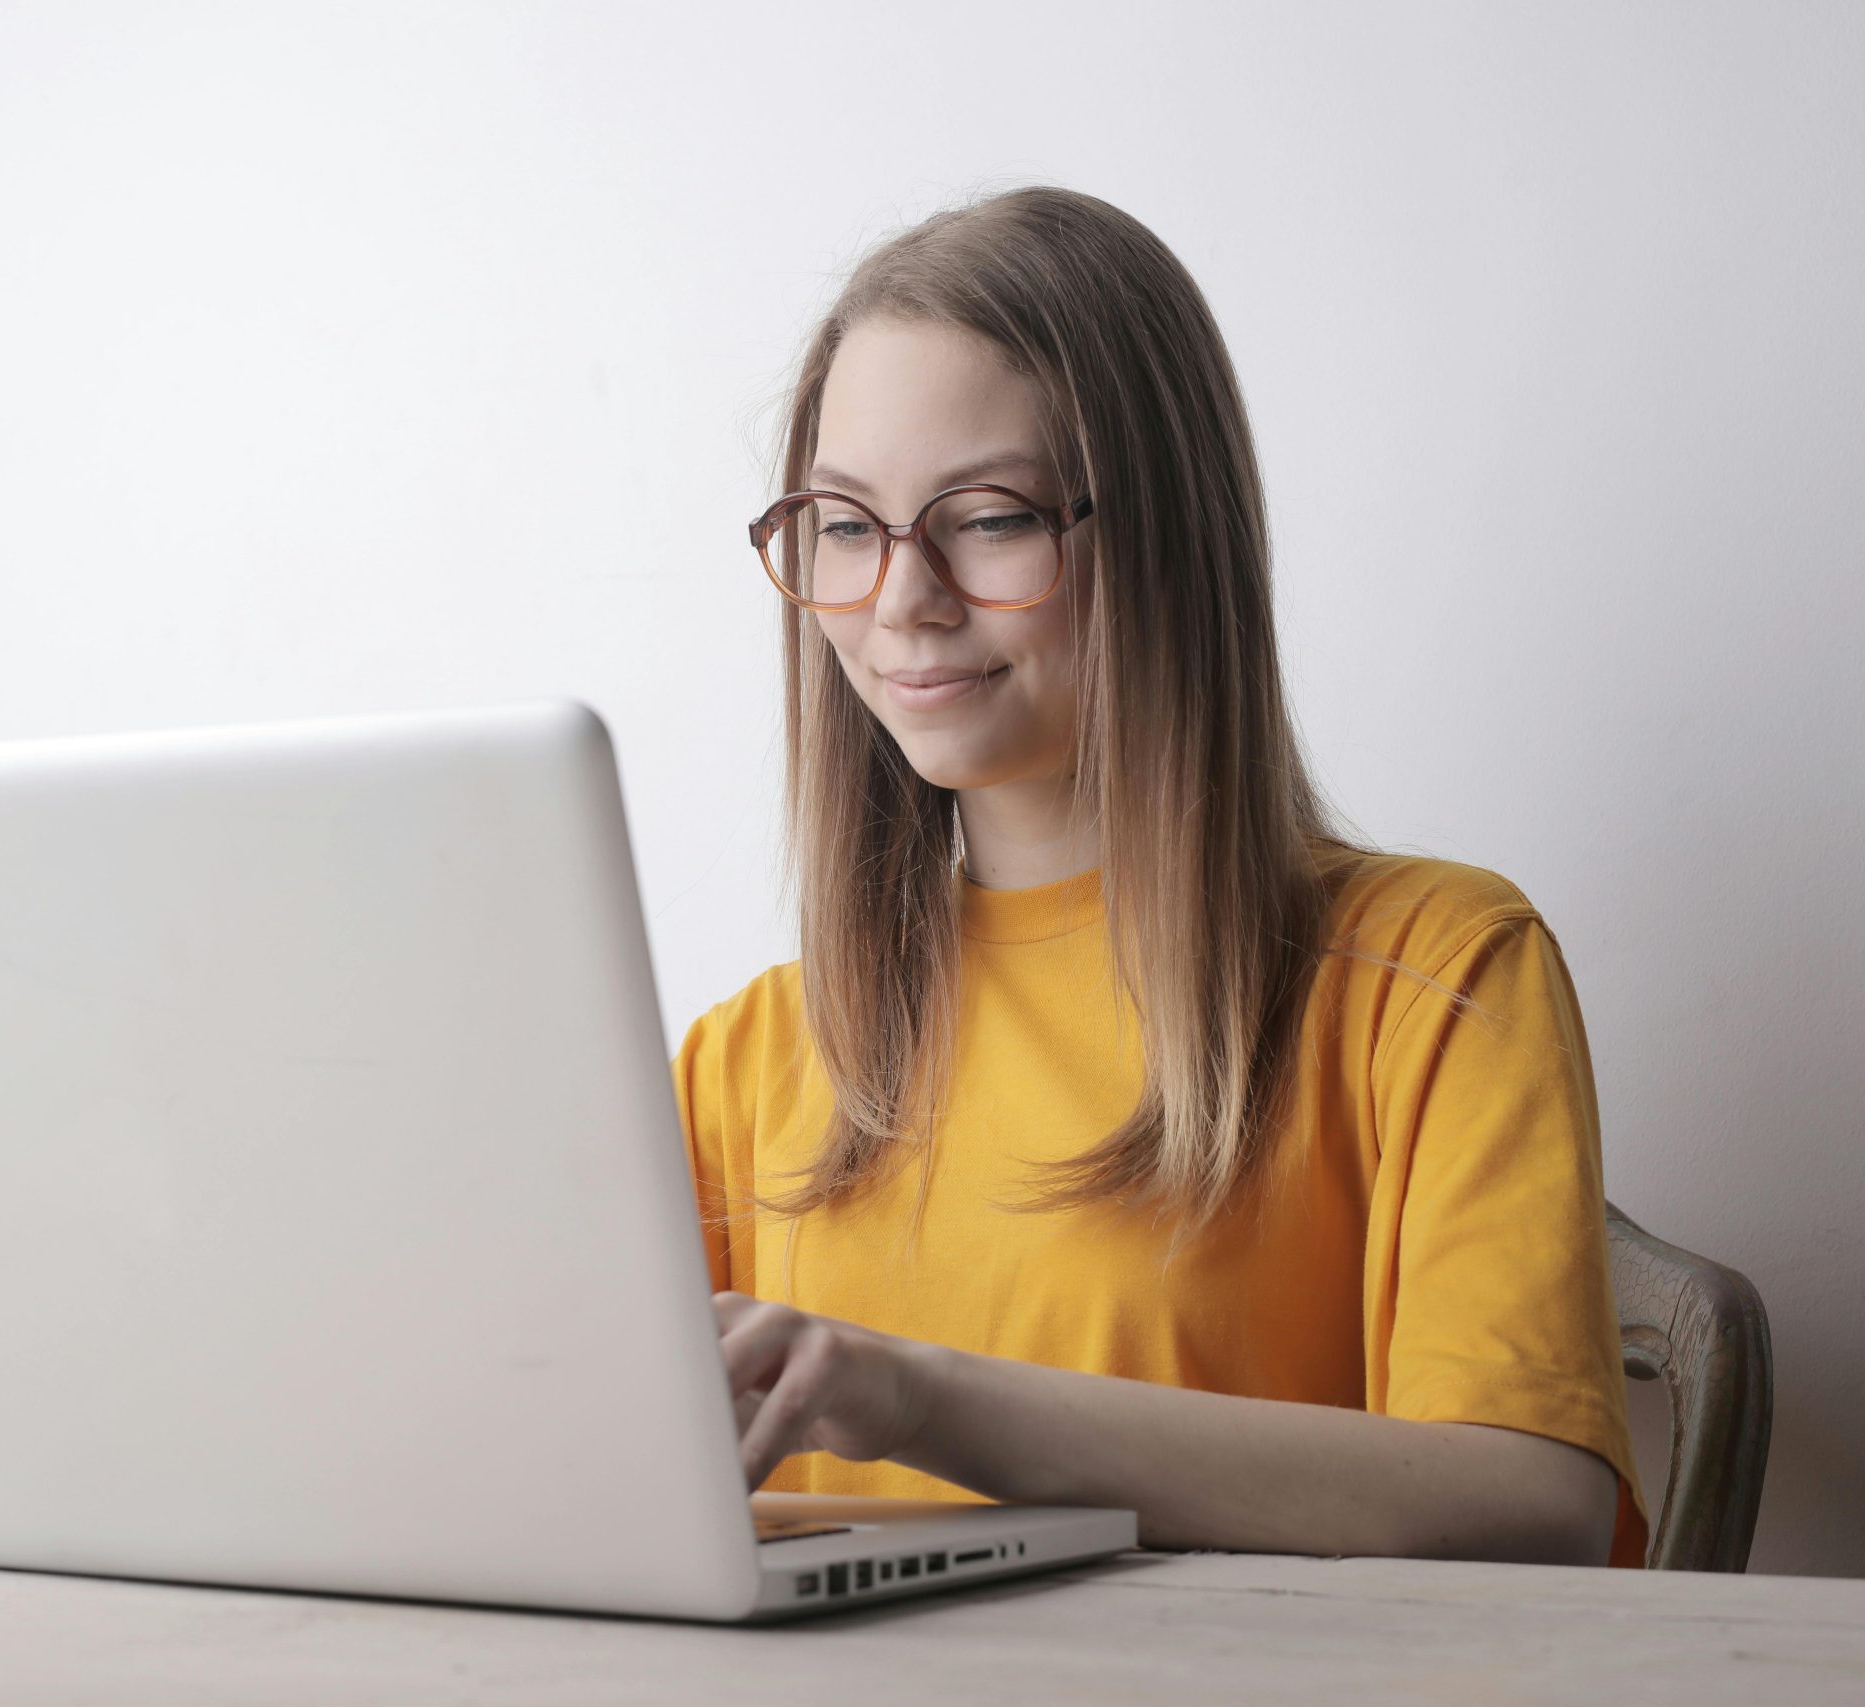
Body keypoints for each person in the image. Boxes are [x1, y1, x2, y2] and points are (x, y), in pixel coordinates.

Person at [671, 184, 1648, 1568]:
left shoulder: (1435, 973)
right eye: (844, 525)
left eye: (990, 518)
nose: (901, 598)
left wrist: (915, 1397)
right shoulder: (747, 1058)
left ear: (1165, 535)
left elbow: (1531, 1509)